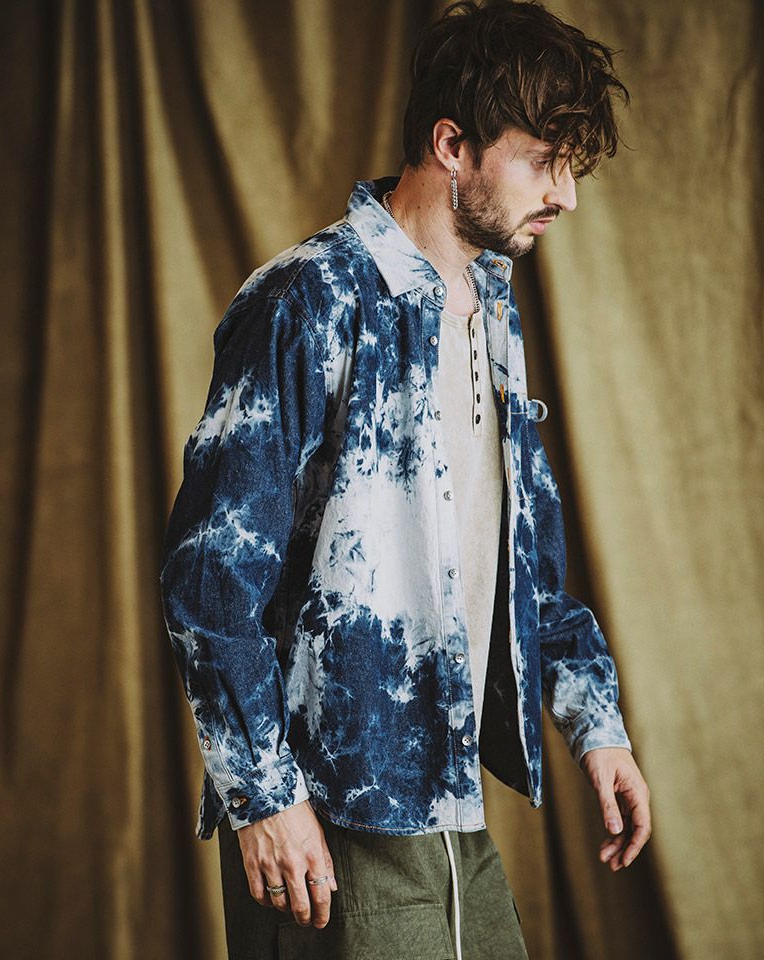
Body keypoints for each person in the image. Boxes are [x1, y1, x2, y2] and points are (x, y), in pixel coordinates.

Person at [159, 1, 652, 956]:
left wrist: (597, 726)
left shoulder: (490, 311)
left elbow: (526, 565)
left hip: (450, 803)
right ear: (451, 145)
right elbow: (210, 576)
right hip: (325, 817)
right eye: (543, 163)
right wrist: (264, 796)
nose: (567, 196)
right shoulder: (309, 298)